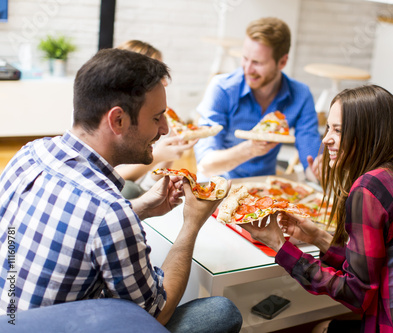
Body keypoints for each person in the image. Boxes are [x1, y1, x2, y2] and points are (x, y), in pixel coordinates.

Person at [0, 48, 242, 333]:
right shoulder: (110, 213)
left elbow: (81, 225)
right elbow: (155, 315)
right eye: (157, 117)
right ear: (118, 120)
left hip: (11, 319)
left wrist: (140, 207)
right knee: (222, 311)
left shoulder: (30, 153)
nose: (165, 129)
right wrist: (191, 224)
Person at [241, 85, 393, 332]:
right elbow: (371, 267)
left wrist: (281, 247)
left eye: (338, 130)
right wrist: (318, 237)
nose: (326, 139)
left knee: (320, 328)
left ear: (368, 134)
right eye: (328, 128)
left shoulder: (368, 188)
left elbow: (357, 294)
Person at [195, 17, 322, 181]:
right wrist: (251, 148)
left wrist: (319, 171)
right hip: (218, 183)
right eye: (245, 58)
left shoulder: (301, 95)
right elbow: (205, 164)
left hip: (262, 186)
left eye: (257, 62)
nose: (247, 69)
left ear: (282, 61)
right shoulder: (222, 89)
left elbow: (310, 162)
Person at [114, 40, 198, 199]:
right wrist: (158, 156)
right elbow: (108, 178)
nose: (165, 82)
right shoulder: (116, 116)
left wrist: (171, 154)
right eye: (157, 75)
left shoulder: (154, 115)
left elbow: (146, 185)